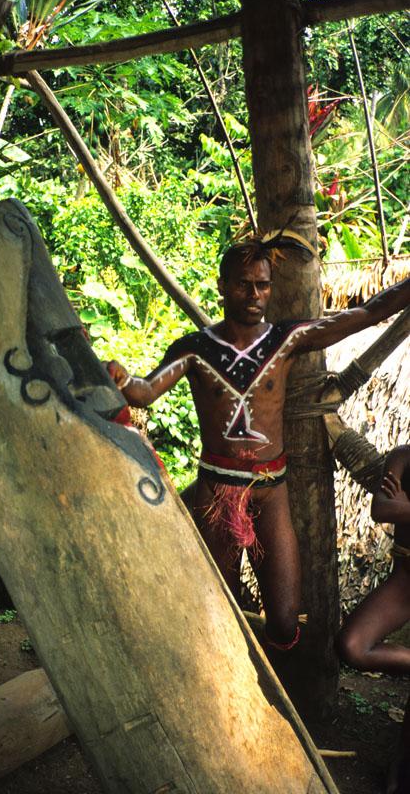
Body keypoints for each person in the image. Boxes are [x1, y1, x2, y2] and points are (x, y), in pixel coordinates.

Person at [107, 232, 410, 660]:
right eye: (244, 284)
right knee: (222, 608)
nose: (254, 294)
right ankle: (226, 684)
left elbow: (367, 312)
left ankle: (271, 684)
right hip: (217, 494)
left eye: (263, 284)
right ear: (222, 286)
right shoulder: (196, 350)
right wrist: (120, 378)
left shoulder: (285, 340)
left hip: (271, 493)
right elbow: (143, 392)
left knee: (286, 618)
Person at [337, 445, 410, 794]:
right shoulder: (403, 457)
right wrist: (396, 507)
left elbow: (397, 508)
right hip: (405, 582)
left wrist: (405, 506)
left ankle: (399, 769)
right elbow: (381, 509)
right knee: (352, 646)